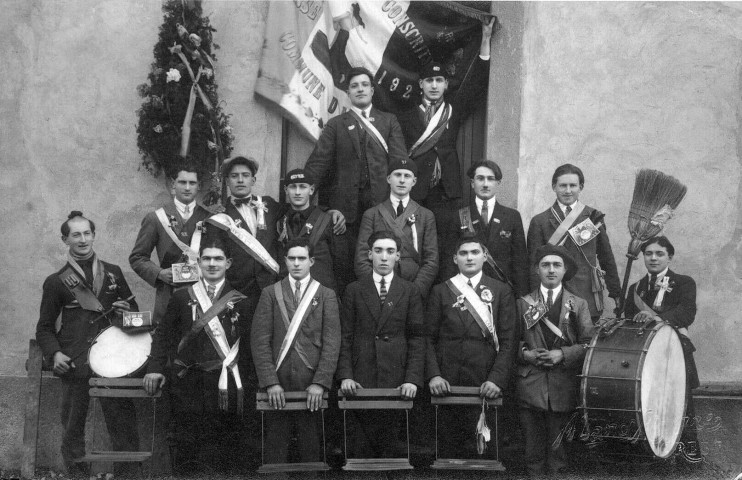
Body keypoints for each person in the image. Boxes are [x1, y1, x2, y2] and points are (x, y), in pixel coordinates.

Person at [36, 211, 139, 474]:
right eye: (76, 235)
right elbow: (45, 328)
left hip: (113, 362)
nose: (83, 239)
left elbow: (136, 318)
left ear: (93, 236)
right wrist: (55, 355)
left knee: (123, 424)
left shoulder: (114, 273)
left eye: (87, 233)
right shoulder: (56, 282)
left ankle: (128, 476)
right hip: (75, 361)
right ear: (65, 240)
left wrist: (124, 312)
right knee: (73, 426)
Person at [143, 236, 253, 472]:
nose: (212, 264)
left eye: (218, 259)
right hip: (189, 382)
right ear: (199, 263)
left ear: (229, 263)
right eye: (206, 259)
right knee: (188, 444)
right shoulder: (182, 296)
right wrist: (154, 368)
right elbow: (164, 336)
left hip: (225, 384)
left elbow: (250, 346)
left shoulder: (242, 301)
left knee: (223, 446)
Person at [397, 19, 494, 283]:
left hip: (447, 194)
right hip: (415, 193)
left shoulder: (453, 110)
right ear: (421, 84)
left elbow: (476, 84)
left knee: (446, 251)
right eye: (429, 80)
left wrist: (485, 40)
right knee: (413, 250)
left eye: (439, 80)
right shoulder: (405, 116)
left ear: (445, 85)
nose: (434, 85)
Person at [425, 235, 517, 459]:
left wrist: (497, 379)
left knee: (484, 456)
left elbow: (509, 342)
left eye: (475, 252)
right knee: (448, 455)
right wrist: (434, 375)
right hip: (447, 385)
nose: (469, 258)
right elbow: (427, 339)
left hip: (485, 383)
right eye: (463, 253)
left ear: (484, 257)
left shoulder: (501, 290)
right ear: (455, 258)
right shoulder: (440, 291)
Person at [251, 238, 341, 465]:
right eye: (292, 258)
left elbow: (332, 343)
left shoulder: (326, 295)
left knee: (312, 452)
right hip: (277, 386)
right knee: (275, 451)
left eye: (302, 258)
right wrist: (270, 382)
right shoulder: (270, 293)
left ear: (311, 261)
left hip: (311, 385)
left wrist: (320, 383)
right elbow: (260, 342)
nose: (297, 263)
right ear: (285, 261)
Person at [338, 231, 426, 458]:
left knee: (393, 451)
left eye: (390, 251)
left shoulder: (410, 290)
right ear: (369, 255)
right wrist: (345, 375)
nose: (384, 257)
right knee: (361, 452)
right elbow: (345, 337)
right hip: (361, 378)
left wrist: (411, 379)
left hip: (397, 379)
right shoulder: (354, 290)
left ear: (399, 256)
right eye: (378, 251)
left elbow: (417, 339)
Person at [304, 66, 409, 258]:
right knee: (346, 262)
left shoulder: (388, 121)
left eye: (364, 85)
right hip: (344, 212)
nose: (360, 89)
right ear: (348, 92)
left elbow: (400, 163)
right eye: (354, 86)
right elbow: (317, 165)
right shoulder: (336, 125)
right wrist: (304, 198)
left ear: (372, 90)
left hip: (381, 206)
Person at [515, 244, 593, 476]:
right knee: (532, 449)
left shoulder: (578, 304)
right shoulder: (523, 303)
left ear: (565, 270)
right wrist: (526, 354)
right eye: (545, 265)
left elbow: (589, 343)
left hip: (563, 384)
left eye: (556, 265)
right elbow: (510, 341)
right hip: (530, 384)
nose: (551, 270)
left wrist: (564, 354)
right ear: (537, 270)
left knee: (559, 451)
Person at [624, 236, 701, 463]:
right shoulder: (635, 288)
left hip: (675, 351)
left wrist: (656, 317)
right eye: (649, 253)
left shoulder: (684, 283)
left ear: (669, 257)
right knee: (648, 403)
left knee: (680, 405)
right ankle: (653, 453)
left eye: (659, 253)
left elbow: (687, 313)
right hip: (647, 356)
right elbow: (630, 321)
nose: (653, 258)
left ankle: (689, 457)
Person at [527, 163, 621, 322]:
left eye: (573, 185)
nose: (568, 190)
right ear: (554, 187)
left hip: (586, 294)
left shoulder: (593, 217)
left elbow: (606, 257)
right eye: (563, 185)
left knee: (585, 342)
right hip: (552, 293)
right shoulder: (540, 221)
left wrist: (616, 292)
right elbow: (533, 264)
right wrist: (536, 298)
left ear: (581, 187)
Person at [129, 164, 210, 324]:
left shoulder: (210, 218)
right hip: (168, 294)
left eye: (192, 183)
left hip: (202, 294)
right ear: (173, 184)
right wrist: (159, 273)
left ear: (199, 186)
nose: (187, 188)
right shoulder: (156, 218)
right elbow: (137, 257)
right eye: (182, 182)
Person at [355, 158, 438, 299]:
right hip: (379, 289)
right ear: (388, 179)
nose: (402, 180)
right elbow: (362, 258)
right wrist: (376, 288)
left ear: (414, 181)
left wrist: (416, 291)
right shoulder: (372, 214)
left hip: (413, 287)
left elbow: (431, 260)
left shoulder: (425, 215)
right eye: (397, 175)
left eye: (407, 176)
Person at [450, 160, 529, 296]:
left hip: (503, 291)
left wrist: (520, 297)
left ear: (498, 183)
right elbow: (450, 261)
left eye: (490, 179)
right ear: (472, 183)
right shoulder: (459, 216)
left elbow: (520, 262)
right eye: (480, 179)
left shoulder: (511, 216)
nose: (485, 184)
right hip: (468, 291)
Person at [277, 168, 350, 296]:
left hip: (321, 293)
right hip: (289, 293)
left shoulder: (329, 220)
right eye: (293, 187)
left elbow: (341, 265)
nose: (298, 192)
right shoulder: (279, 221)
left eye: (303, 187)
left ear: (311, 190)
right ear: (285, 190)